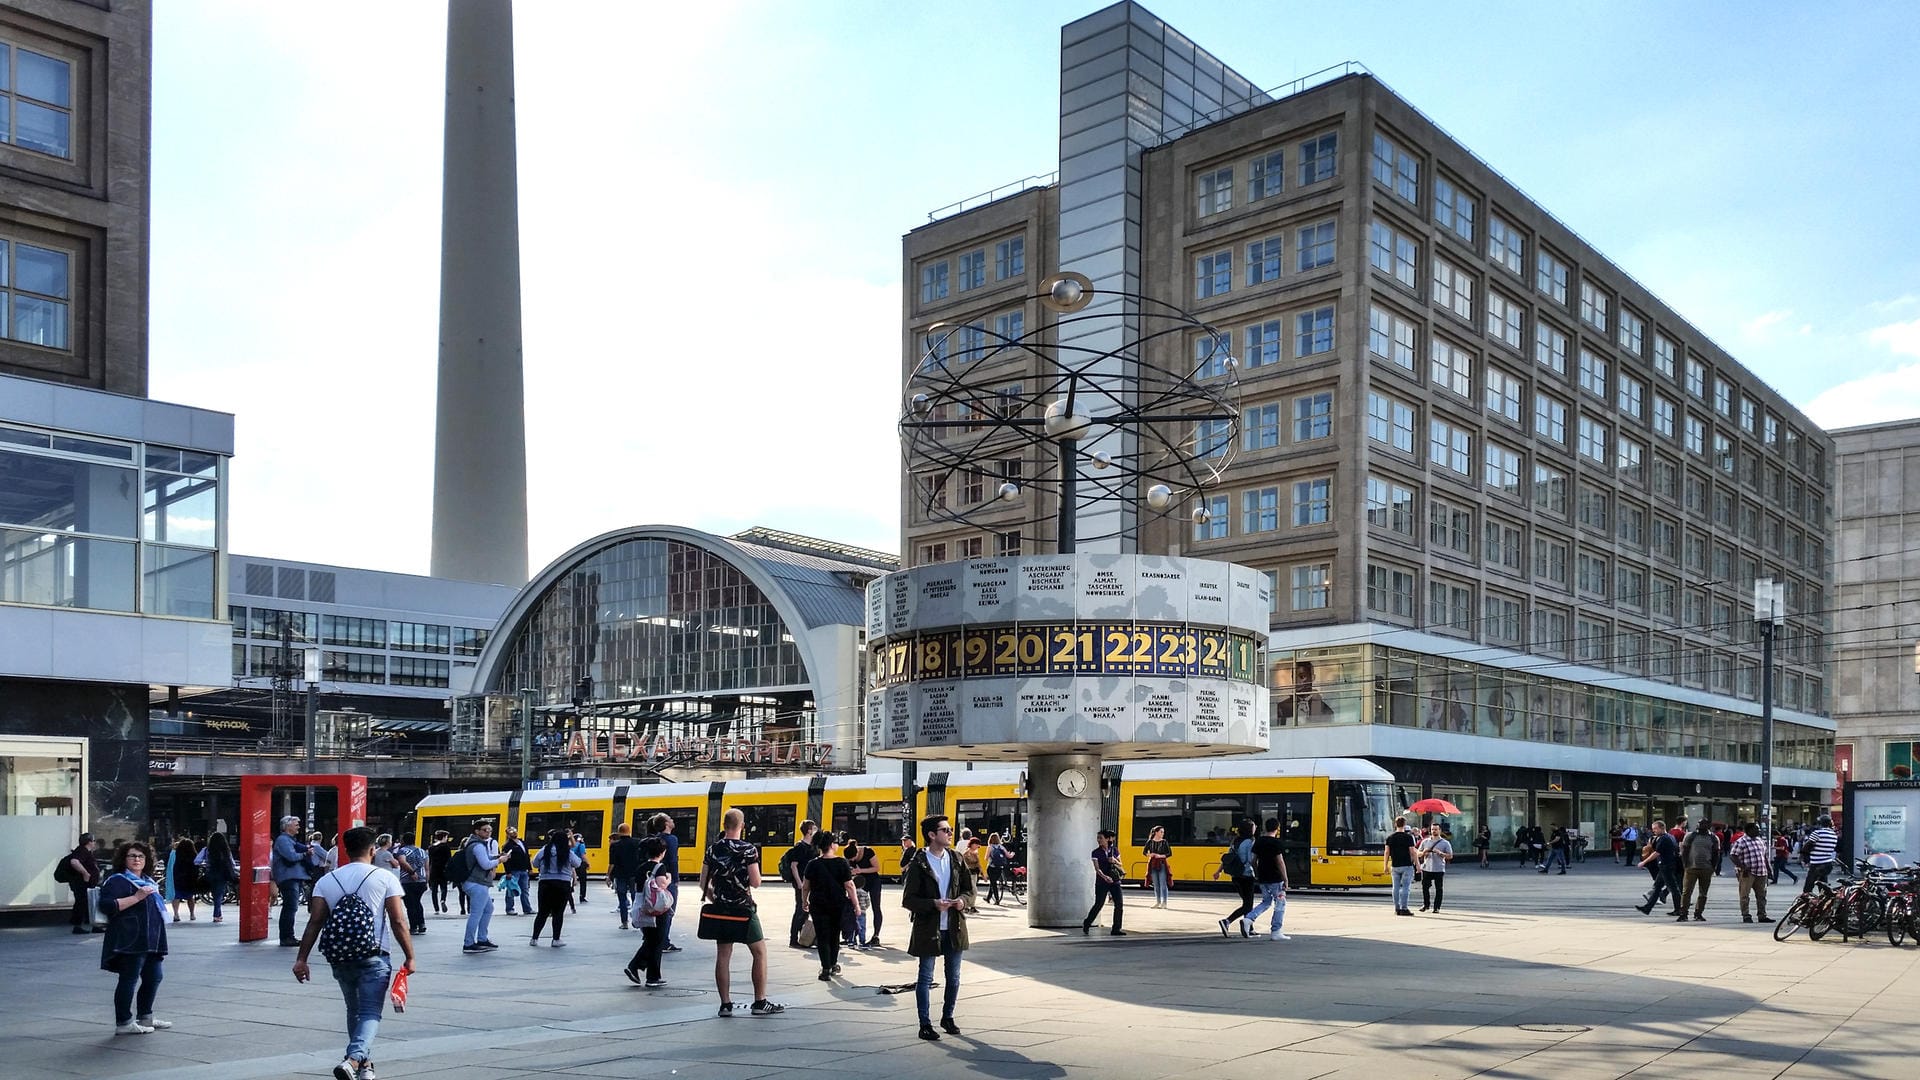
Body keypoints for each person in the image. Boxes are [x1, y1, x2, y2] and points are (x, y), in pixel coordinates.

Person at [292, 826, 415, 1080]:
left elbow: (315, 922)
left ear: (345, 850)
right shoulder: (385, 878)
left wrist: (301, 959)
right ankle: (353, 1059)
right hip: (375, 955)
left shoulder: (327, 881)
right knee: (370, 1012)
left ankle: (364, 1067)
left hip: (340, 957)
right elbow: (398, 920)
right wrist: (410, 956)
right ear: (372, 850)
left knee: (354, 1011)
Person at [699, 807, 784, 1016]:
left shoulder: (712, 849)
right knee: (760, 953)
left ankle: (725, 1005)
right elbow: (755, 882)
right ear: (742, 826)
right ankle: (759, 1002)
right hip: (743, 909)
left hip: (721, 909)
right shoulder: (748, 850)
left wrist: (716, 898)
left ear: (724, 826)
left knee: (723, 956)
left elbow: (703, 883)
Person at [903, 813, 970, 1041]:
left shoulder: (956, 859)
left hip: (954, 926)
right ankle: (925, 1023)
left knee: (954, 977)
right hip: (928, 927)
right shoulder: (919, 863)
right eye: (946, 830)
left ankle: (948, 1017)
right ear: (932, 835)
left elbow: (970, 891)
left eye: (950, 829)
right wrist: (932, 904)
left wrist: (963, 901)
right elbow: (908, 899)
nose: (950, 833)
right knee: (925, 976)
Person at [98, 841, 170, 1035]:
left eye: (141, 856)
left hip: (151, 938)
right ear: (124, 859)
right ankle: (123, 1021)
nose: (137, 860)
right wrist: (137, 897)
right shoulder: (117, 881)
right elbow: (107, 906)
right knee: (129, 979)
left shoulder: (148, 881)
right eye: (132, 856)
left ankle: (145, 1016)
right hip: (130, 938)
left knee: (154, 977)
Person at [802, 830, 857, 981]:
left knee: (822, 936)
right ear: (832, 845)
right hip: (837, 904)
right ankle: (833, 964)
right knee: (834, 935)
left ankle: (825, 968)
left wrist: (804, 901)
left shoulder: (812, 864)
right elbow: (850, 886)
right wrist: (856, 905)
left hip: (818, 905)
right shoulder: (841, 863)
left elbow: (805, 886)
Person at [622, 844, 675, 988]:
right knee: (657, 941)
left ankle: (644, 971)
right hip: (656, 909)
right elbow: (661, 886)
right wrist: (669, 879)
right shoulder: (660, 868)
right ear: (662, 852)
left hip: (641, 907)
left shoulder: (641, 867)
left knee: (651, 939)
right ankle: (644, 971)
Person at [528, 828, 581, 947]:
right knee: (558, 912)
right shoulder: (567, 851)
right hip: (562, 884)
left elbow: (535, 863)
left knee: (542, 912)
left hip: (545, 883)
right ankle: (556, 939)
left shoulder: (545, 849)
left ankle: (534, 938)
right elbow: (577, 863)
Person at [1243, 817, 1291, 938]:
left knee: (1266, 901)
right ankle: (1276, 931)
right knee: (1280, 903)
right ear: (1277, 828)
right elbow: (1280, 862)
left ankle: (1248, 918)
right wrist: (1285, 878)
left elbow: (1253, 861)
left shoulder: (1259, 841)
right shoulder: (1276, 843)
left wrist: (1257, 873)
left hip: (1262, 877)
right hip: (1276, 877)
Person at [459, 820, 501, 953]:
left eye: (490, 830)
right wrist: (500, 860)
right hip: (477, 883)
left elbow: (485, 859)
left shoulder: (475, 844)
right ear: (477, 831)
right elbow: (486, 864)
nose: (488, 832)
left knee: (488, 909)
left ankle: (482, 938)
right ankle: (469, 943)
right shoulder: (477, 845)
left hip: (476, 882)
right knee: (476, 914)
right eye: (485, 830)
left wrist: (497, 856)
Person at [271, 816, 313, 946]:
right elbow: (291, 856)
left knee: (291, 907)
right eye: (296, 825)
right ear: (287, 826)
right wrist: (305, 854)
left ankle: (288, 935)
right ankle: (287, 936)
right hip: (288, 877)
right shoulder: (283, 840)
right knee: (290, 907)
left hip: (292, 877)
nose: (298, 827)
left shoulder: (289, 840)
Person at [781, 819, 819, 950]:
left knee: (807, 910)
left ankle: (805, 937)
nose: (815, 830)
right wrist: (799, 883)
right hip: (802, 883)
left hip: (811, 882)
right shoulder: (800, 847)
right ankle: (793, 939)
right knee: (800, 909)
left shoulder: (813, 847)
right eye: (814, 828)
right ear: (808, 831)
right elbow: (793, 866)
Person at [1214, 820, 1257, 937]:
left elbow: (1227, 858)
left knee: (1247, 903)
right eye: (1254, 826)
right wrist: (1257, 873)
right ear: (1250, 829)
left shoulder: (1235, 841)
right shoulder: (1250, 842)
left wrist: (1218, 871)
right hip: (1247, 875)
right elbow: (1251, 860)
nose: (1256, 827)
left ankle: (1249, 928)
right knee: (1248, 905)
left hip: (1235, 876)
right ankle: (1227, 921)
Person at [1081, 829, 1126, 936]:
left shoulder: (1114, 850)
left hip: (1115, 881)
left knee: (1119, 904)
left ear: (1107, 839)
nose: (1099, 840)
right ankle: (1087, 923)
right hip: (1102, 881)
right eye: (1098, 838)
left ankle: (1116, 929)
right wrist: (1105, 877)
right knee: (1099, 904)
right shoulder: (1096, 852)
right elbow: (1097, 868)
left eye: (1101, 838)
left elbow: (1120, 864)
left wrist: (1114, 861)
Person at [650, 812, 683, 952]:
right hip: (669, 878)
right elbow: (673, 860)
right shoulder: (672, 839)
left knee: (658, 908)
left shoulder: (655, 839)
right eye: (670, 819)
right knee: (669, 910)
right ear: (666, 824)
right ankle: (664, 941)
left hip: (657, 876)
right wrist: (676, 879)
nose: (672, 820)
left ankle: (655, 939)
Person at [1635, 819, 1683, 915]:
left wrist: (1643, 862)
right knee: (1657, 887)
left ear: (1662, 828)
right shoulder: (1670, 836)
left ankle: (1679, 910)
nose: (1654, 831)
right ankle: (1647, 908)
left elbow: (1657, 853)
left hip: (1667, 866)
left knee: (1674, 889)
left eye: (1655, 829)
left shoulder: (1664, 838)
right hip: (1665, 866)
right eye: (1653, 829)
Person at [1728, 821, 1773, 924]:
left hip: (1761, 872)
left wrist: (1769, 870)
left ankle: (1762, 915)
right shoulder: (1741, 841)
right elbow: (1733, 855)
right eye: (1756, 829)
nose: (1759, 831)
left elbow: (1765, 856)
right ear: (1750, 830)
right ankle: (1746, 915)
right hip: (1747, 873)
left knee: (1761, 895)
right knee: (1745, 895)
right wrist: (1742, 867)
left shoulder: (1760, 841)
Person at [1678, 820, 1718, 921]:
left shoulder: (1713, 838)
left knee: (1703, 893)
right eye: (1699, 823)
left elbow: (1716, 853)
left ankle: (1698, 913)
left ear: (1709, 825)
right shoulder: (1690, 836)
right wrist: (1685, 865)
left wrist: (1713, 867)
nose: (1701, 825)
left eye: (1704, 824)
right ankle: (1683, 913)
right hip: (1691, 868)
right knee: (1686, 892)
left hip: (1706, 868)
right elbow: (1684, 851)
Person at [390, 833, 430, 936]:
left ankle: (413, 926)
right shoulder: (422, 851)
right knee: (417, 902)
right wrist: (426, 881)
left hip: (408, 881)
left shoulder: (403, 851)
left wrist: (411, 872)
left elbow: (402, 862)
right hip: (421, 881)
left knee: (410, 904)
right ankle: (421, 924)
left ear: (404, 841)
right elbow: (427, 868)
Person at [63, 832, 102, 935]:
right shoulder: (82, 851)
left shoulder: (85, 851)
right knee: (81, 903)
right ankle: (77, 926)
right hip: (82, 884)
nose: (94, 843)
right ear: (89, 842)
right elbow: (74, 862)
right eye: (93, 841)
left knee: (88, 904)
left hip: (85, 884)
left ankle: (94, 925)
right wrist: (85, 873)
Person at [608, 822, 642, 930]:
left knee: (622, 899)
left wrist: (608, 876)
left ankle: (624, 922)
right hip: (634, 874)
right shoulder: (637, 842)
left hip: (620, 874)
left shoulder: (615, 845)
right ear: (629, 831)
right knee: (635, 898)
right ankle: (637, 921)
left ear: (619, 832)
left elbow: (612, 863)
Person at [198, 832, 237, 924]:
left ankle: (218, 914)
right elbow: (232, 863)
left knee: (216, 895)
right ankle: (217, 915)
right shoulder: (225, 850)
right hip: (222, 874)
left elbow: (197, 861)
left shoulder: (207, 850)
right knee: (218, 895)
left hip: (210, 873)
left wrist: (206, 864)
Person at [851, 835, 883, 945]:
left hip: (873, 881)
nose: (852, 861)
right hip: (860, 882)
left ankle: (876, 936)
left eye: (853, 859)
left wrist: (861, 870)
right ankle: (853, 935)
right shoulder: (849, 855)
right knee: (856, 907)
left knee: (876, 907)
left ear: (856, 853)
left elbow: (877, 868)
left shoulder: (868, 851)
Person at [1384, 815, 1417, 916]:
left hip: (1395, 865)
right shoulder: (1408, 837)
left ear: (1395, 824)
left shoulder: (1390, 837)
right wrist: (1417, 865)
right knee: (1406, 887)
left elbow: (1386, 852)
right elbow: (1412, 852)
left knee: (1396, 887)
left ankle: (1397, 908)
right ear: (1405, 825)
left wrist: (1385, 866)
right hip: (1407, 865)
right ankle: (1404, 908)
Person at [1801, 816, 1839, 895]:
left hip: (1816, 864)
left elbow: (1807, 846)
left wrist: (1805, 858)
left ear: (1820, 823)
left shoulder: (1817, 833)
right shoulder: (1833, 835)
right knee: (1823, 887)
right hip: (1827, 864)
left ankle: (1806, 904)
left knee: (1808, 888)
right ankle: (1824, 904)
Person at [499, 827, 531, 917]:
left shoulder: (522, 842)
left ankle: (527, 908)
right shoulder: (507, 845)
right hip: (514, 871)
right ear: (508, 834)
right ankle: (509, 909)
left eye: (515, 831)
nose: (514, 833)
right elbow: (506, 860)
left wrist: (530, 868)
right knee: (511, 890)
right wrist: (508, 872)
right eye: (511, 832)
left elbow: (527, 856)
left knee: (525, 890)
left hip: (524, 870)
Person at [426, 830, 459, 915]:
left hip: (434, 870)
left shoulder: (431, 847)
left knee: (434, 890)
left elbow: (429, 860)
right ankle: (442, 900)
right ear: (444, 837)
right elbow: (449, 860)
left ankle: (436, 909)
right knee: (444, 888)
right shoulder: (446, 847)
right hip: (443, 870)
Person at [1143, 825, 1173, 908]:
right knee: (1156, 884)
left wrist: (1160, 856)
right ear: (1156, 832)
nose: (1162, 833)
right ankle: (1158, 902)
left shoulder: (1164, 842)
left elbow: (1169, 853)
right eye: (1161, 832)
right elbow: (1144, 852)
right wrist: (1150, 854)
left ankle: (1164, 903)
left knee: (1163, 883)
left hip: (1162, 863)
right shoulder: (1150, 842)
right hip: (1152, 863)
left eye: (1163, 832)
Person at [984, 832, 1011, 906]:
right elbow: (1009, 856)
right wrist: (1012, 854)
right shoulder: (1001, 847)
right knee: (993, 883)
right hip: (999, 868)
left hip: (991, 867)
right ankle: (988, 898)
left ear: (990, 839)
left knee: (993, 883)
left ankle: (997, 899)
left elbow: (986, 858)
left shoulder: (990, 847)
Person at [571, 831, 590, 905]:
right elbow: (583, 855)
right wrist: (588, 863)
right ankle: (582, 897)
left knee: (572, 880)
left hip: (573, 864)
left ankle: (569, 894)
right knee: (583, 881)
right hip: (580, 864)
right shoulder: (581, 845)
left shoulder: (572, 846)